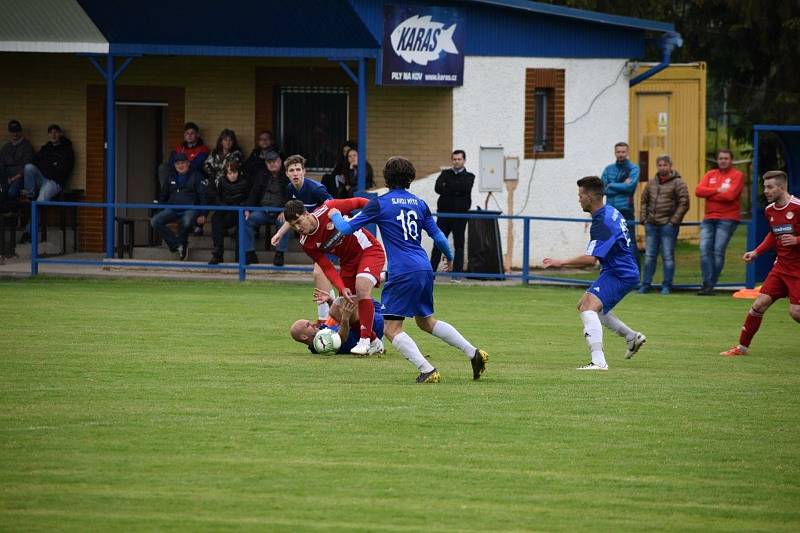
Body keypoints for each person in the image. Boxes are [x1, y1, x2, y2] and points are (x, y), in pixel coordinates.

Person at [328, 156, 489, 383]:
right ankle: (474, 353)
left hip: (403, 271)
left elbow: (345, 228)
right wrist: (450, 258)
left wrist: (334, 213)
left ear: (387, 177)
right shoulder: (419, 203)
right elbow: (440, 238)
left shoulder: (380, 203)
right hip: (423, 268)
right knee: (426, 322)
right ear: (411, 178)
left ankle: (427, 370)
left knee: (391, 328)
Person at [542, 176, 646, 370]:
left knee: (588, 309)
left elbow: (590, 260)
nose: (578, 199)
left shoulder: (602, 222)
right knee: (584, 305)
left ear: (590, 197)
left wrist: (561, 262)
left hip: (619, 273)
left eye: (580, 195)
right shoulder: (611, 211)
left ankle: (598, 361)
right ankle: (632, 337)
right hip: (619, 270)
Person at [284, 197, 386, 355]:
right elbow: (327, 267)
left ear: (306, 213)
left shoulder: (329, 208)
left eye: (298, 221)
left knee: (361, 287)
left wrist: (381, 213)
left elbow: (359, 202)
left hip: (368, 249)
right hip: (347, 264)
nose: (298, 228)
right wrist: (341, 287)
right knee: (340, 307)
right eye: (293, 226)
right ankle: (374, 341)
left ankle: (366, 339)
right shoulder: (307, 243)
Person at [720, 171, 800, 356]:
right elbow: (773, 234)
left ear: (782, 187)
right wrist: (757, 251)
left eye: (770, 187)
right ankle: (742, 348)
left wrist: (796, 241)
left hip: (798, 270)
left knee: (796, 313)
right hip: (781, 268)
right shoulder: (769, 210)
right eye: (765, 187)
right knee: (758, 305)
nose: (766, 191)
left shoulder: (797, 207)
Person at [271, 154, 333, 323]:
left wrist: (332, 225)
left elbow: (334, 208)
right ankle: (332, 314)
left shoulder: (316, 189)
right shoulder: (291, 189)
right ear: (287, 174)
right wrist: (279, 233)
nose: (295, 173)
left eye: (298, 169)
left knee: (318, 273)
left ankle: (324, 321)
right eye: (292, 170)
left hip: (329, 235)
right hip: (313, 237)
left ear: (304, 171)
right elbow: (293, 217)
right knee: (322, 275)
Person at [695, 149, 745, 295]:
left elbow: (730, 195)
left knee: (718, 252)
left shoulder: (737, 175)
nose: (723, 160)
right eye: (721, 158)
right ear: (717, 160)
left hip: (728, 218)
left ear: (731, 160)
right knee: (704, 250)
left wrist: (710, 193)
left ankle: (709, 285)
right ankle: (708, 284)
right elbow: (698, 191)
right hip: (709, 218)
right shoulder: (710, 174)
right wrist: (718, 190)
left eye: (726, 158)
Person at [638, 155, 689, 294]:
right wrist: (643, 218)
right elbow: (644, 201)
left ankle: (666, 285)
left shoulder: (678, 183)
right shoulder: (651, 183)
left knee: (667, 256)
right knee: (649, 256)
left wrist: (673, 221)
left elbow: (684, 203)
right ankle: (645, 285)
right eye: (659, 165)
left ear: (670, 166)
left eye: (665, 165)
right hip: (651, 225)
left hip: (668, 226)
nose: (662, 168)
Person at [19, 124, 75, 243]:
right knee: (28, 167)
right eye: (51, 132)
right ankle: (30, 193)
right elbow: (34, 162)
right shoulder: (46, 148)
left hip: (54, 182)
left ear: (60, 134)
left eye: (56, 132)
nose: (53, 135)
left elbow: (64, 169)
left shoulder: (67, 150)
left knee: (39, 203)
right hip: (42, 178)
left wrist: (50, 166)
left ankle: (29, 233)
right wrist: (51, 165)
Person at [150, 152, 208, 260]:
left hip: (191, 208)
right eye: (177, 164)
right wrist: (160, 210)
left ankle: (181, 245)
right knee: (155, 221)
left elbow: (203, 196)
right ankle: (178, 245)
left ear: (188, 164)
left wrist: (203, 214)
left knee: (186, 222)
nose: (180, 166)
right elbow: (163, 195)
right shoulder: (170, 176)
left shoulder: (197, 175)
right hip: (173, 207)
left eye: (183, 163)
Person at [290, 294, 385, 356]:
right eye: (308, 325)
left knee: (359, 294)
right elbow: (341, 339)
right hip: (371, 327)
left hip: (366, 325)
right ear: (304, 336)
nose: (313, 324)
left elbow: (335, 317)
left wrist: (330, 301)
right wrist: (345, 318)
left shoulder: (320, 332)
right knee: (359, 291)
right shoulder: (319, 345)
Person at [430, 149, 475, 277]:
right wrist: (455, 189)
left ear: (464, 160)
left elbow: (464, 188)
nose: (456, 162)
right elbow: (438, 188)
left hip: (460, 216)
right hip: (444, 215)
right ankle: (431, 273)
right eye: (454, 159)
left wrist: (448, 186)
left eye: (459, 159)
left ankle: (457, 274)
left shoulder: (469, 176)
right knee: (438, 242)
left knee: (459, 244)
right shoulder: (445, 173)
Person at [244, 151, 289, 266]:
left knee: (285, 223)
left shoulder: (287, 175)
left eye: (274, 161)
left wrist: (286, 210)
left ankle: (279, 254)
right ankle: (250, 253)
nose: (272, 164)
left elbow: (292, 196)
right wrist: (248, 209)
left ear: (280, 162)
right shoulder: (261, 175)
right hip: (264, 210)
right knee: (247, 220)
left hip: (281, 211)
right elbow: (254, 193)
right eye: (269, 162)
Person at [602, 142, 640, 264]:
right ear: (615, 153)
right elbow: (603, 190)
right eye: (618, 152)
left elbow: (630, 188)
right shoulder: (608, 169)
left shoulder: (633, 168)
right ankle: (614, 272)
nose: (621, 154)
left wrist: (611, 185)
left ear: (627, 153)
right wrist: (622, 185)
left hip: (626, 209)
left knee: (630, 242)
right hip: (610, 210)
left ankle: (635, 275)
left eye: (623, 152)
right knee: (610, 241)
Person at [208, 160, 251, 265]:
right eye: (229, 173)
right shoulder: (221, 182)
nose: (232, 176)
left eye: (234, 173)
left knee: (240, 223)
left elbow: (249, 198)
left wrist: (245, 208)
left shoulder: (245, 182)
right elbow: (217, 197)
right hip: (225, 209)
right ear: (226, 174)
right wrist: (222, 206)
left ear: (239, 172)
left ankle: (240, 257)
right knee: (215, 219)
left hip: (239, 211)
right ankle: (217, 253)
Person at [0, 120, 34, 201]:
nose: (15, 134)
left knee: (12, 192)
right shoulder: (5, 147)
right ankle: (6, 212)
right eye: (12, 131)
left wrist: (13, 179)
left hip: (19, 178)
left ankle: (15, 212)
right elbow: (1, 164)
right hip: (6, 178)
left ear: (20, 131)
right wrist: (5, 179)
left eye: (17, 131)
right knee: (2, 191)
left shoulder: (27, 146)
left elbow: (26, 167)